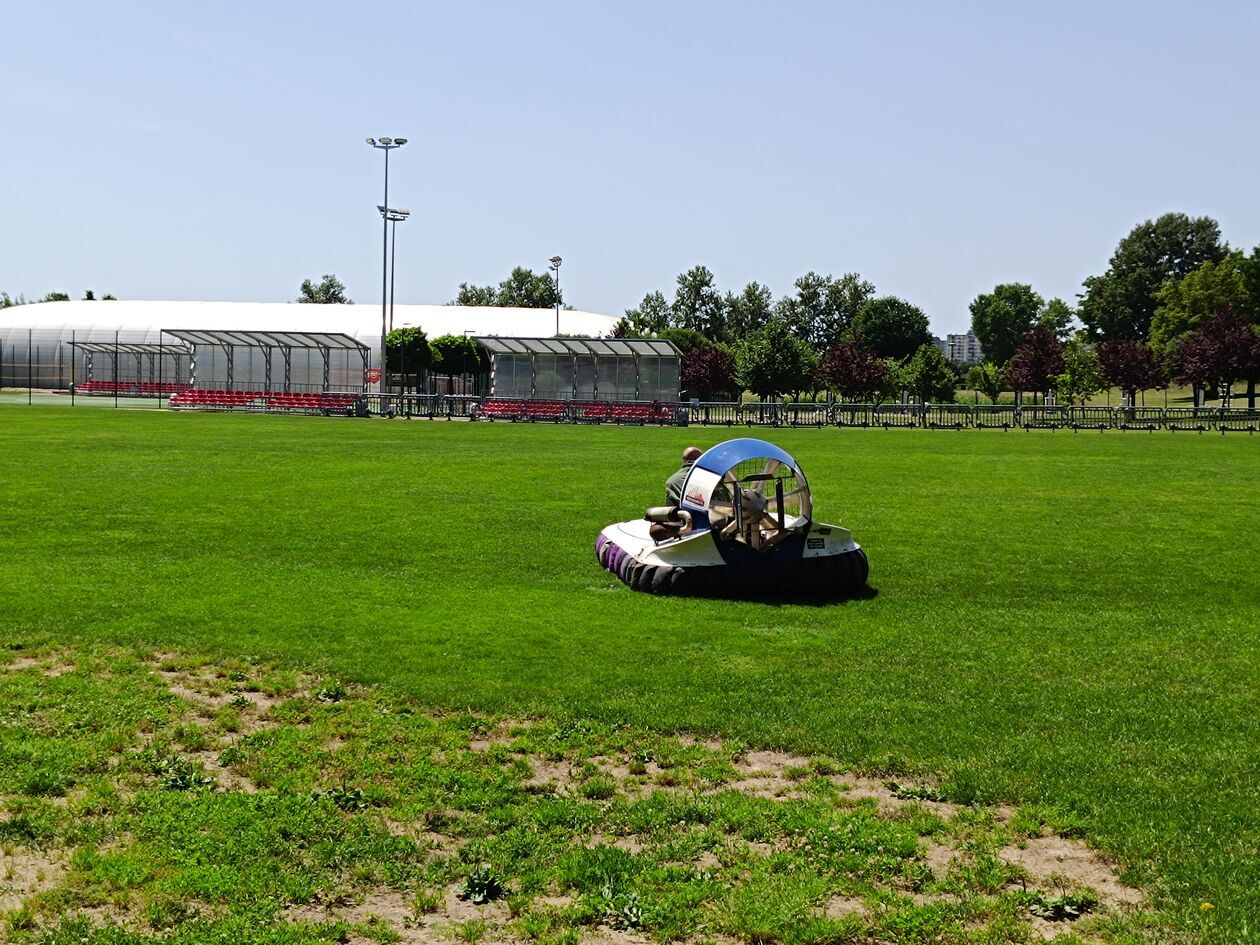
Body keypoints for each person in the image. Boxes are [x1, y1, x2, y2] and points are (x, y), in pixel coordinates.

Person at [651, 446, 703, 542]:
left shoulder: (672, 481)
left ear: (684, 460)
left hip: (689, 531)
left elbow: (670, 508)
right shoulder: (713, 478)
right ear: (701, 459)